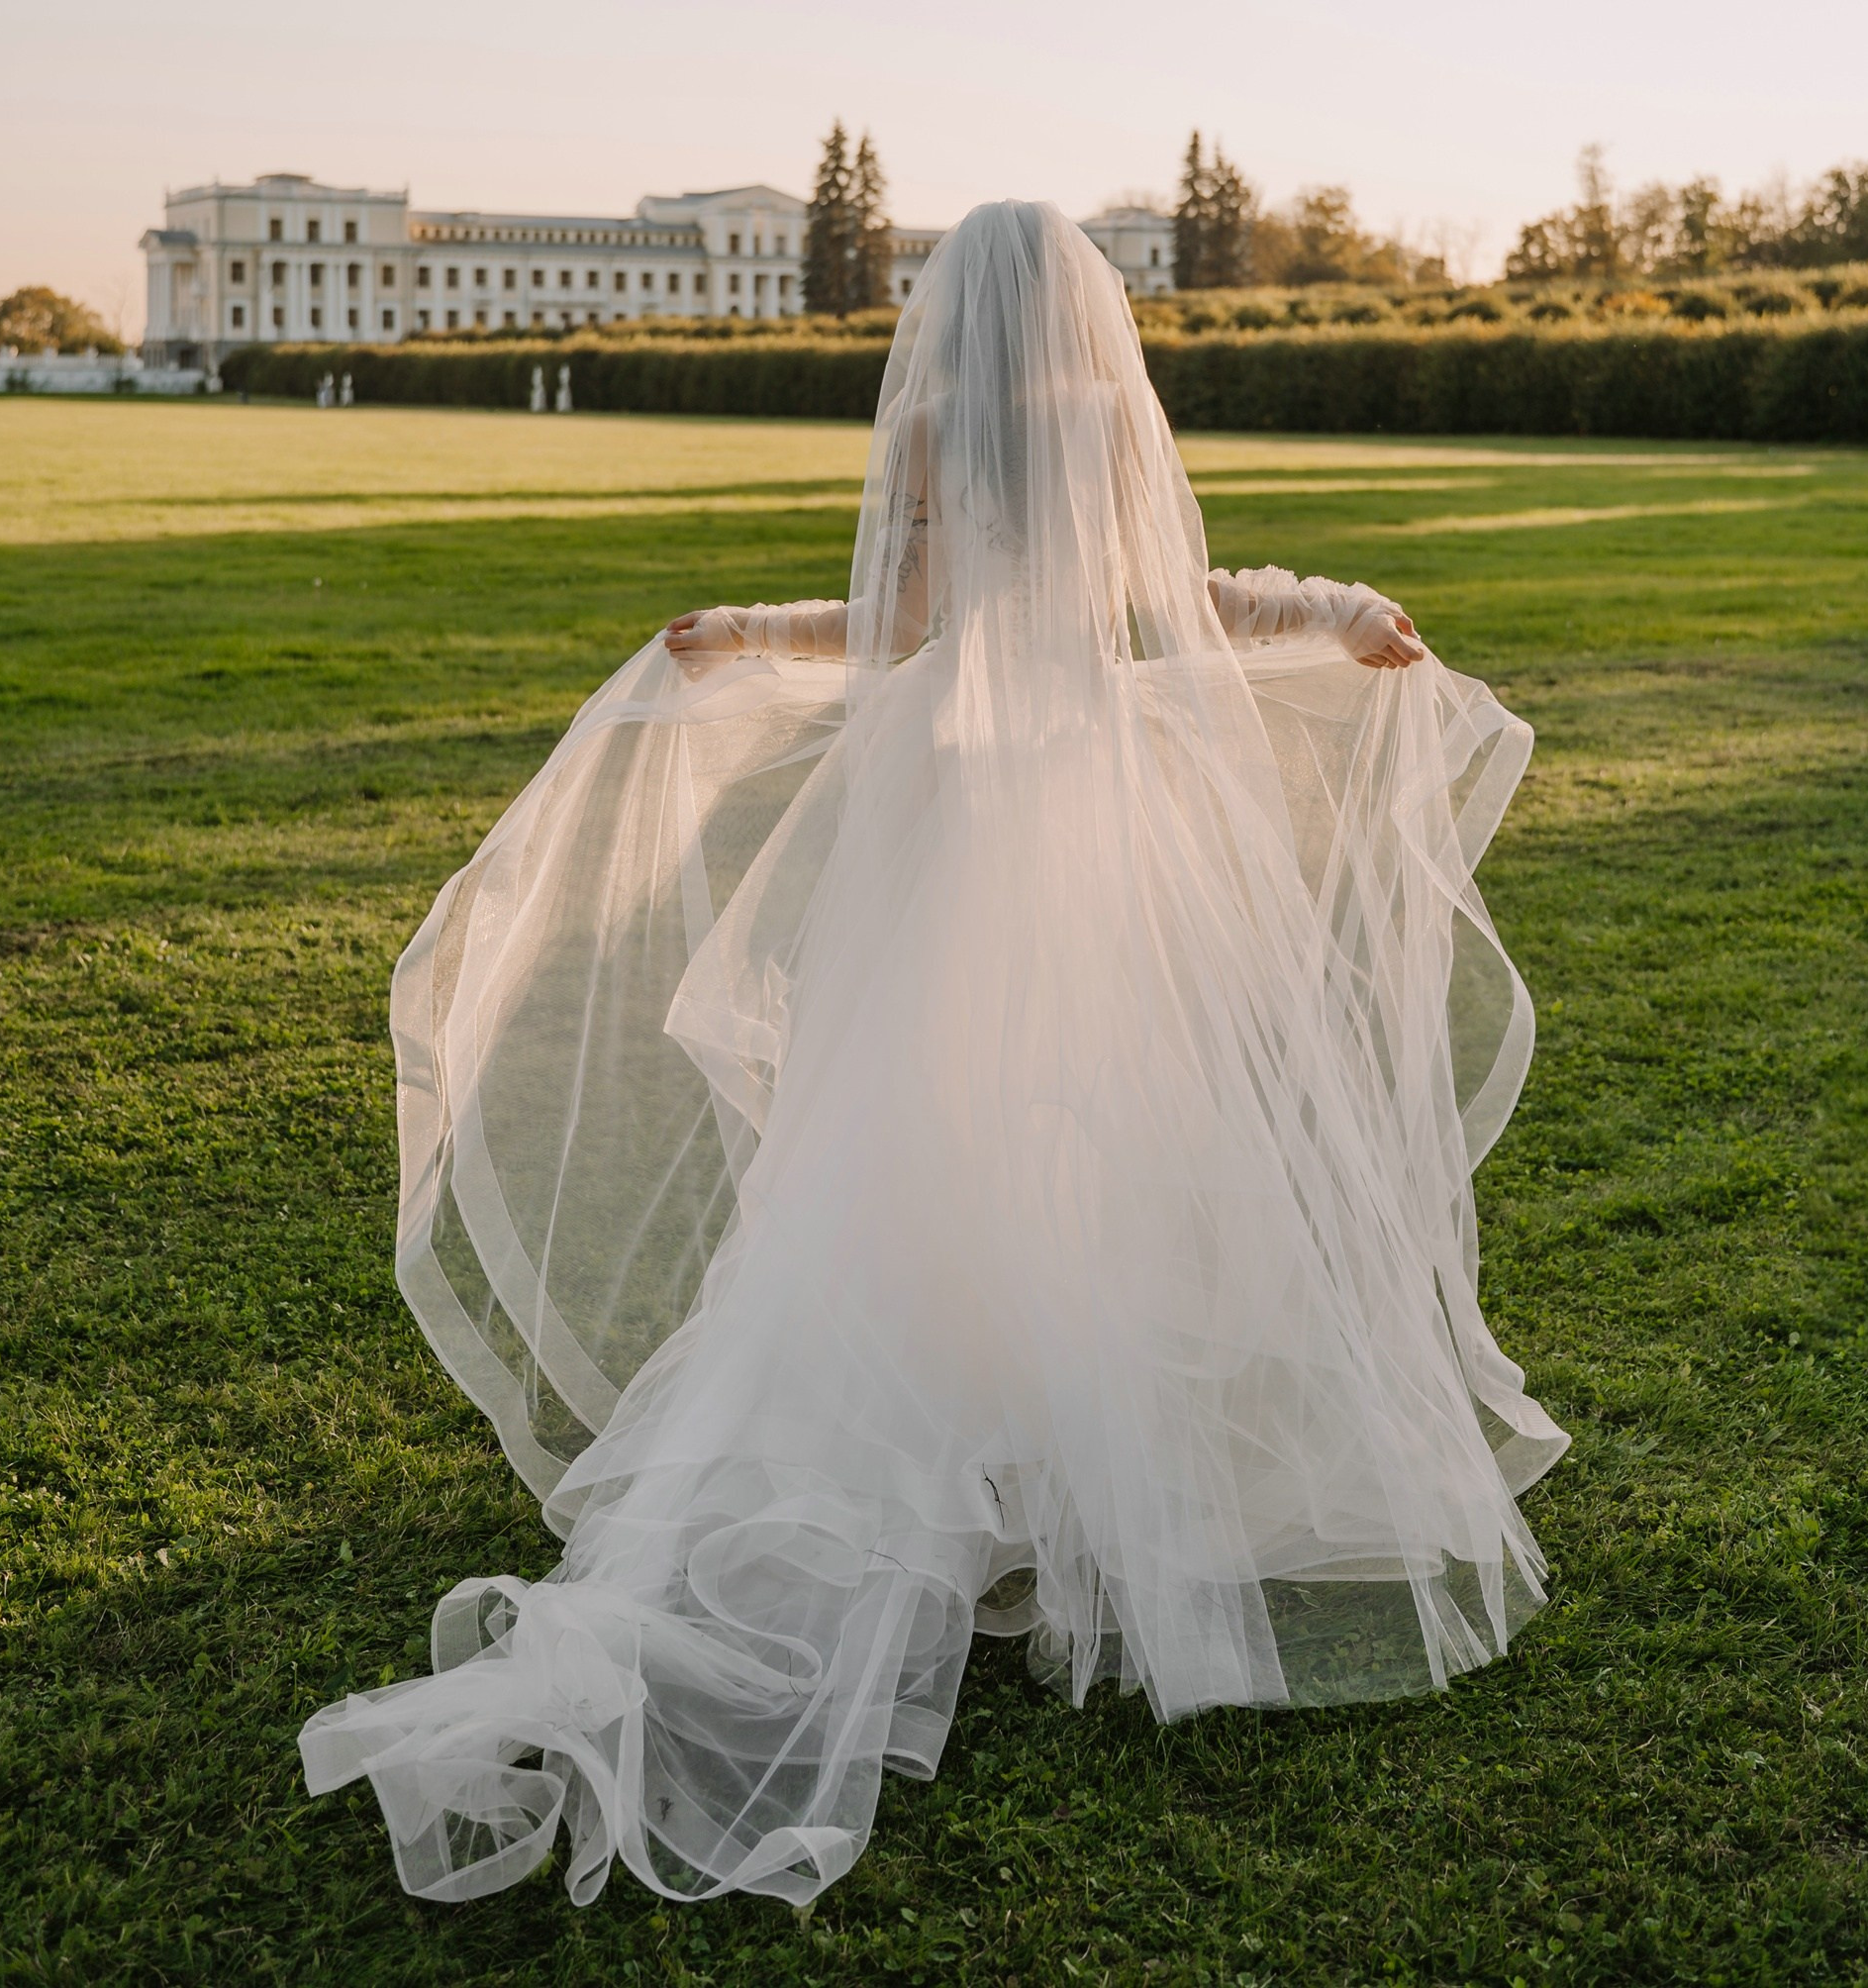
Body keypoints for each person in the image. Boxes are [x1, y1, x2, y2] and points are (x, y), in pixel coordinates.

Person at [300, 200, 1565, 1910]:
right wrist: (1342, 608)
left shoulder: (935, 446)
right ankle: (1061, 1446)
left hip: (956, 833)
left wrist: (751, 631)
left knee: (910, 1141)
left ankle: (953, 1439)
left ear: (945, 332)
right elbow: (1179, 605)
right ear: (1089, 323)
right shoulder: (1110, 431)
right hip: (1099, 835)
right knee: (1093, 1127)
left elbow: (891, 636)